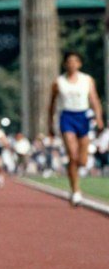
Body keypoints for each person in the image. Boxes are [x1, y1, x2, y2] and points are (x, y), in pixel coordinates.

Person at [47, 51, 103, 207]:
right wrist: (50, 125)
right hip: (67, 117)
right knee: (72, 155)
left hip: (83, 116)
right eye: (69, 61)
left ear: (79, 64)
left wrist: (99, 118)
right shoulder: (58, 82)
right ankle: (76, 190)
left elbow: (94, 100)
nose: (72, 64)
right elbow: (51, 105)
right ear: (65, 64)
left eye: (75, 61)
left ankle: (75, 173)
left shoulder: (87, 80)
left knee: (82, 161)